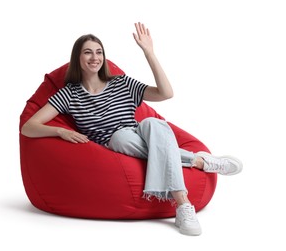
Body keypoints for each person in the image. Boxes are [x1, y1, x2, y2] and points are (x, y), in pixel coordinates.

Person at [21, 22, 243, 236]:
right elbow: (29, 127)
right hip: (114, 144)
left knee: (154, 123)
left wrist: (149, 53)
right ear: (77, 58)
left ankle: (182, 203)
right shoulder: (69, 94)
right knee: (121, 138)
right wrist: (61, 131)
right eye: (88, 52)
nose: (95, 57)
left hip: (142, 135)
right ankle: (198, 162)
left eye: (99, 52)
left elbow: (166, 93)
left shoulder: (120, 83)